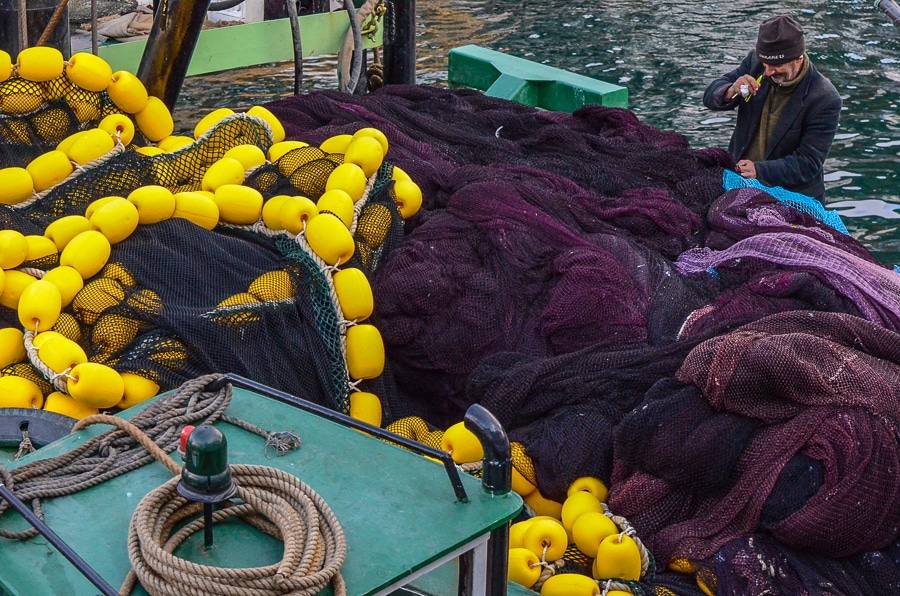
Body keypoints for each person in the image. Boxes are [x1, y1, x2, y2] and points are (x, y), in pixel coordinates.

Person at [703, 14, 842, 202]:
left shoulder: (825, 98)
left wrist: (759, 170)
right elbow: (710, 96)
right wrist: (731, 90)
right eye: (766, 64)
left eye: (776, 65)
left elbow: (808, 163)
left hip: (793, 197)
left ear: (798, 59)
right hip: (739, 184)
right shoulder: (756, 62)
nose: (768, 72)